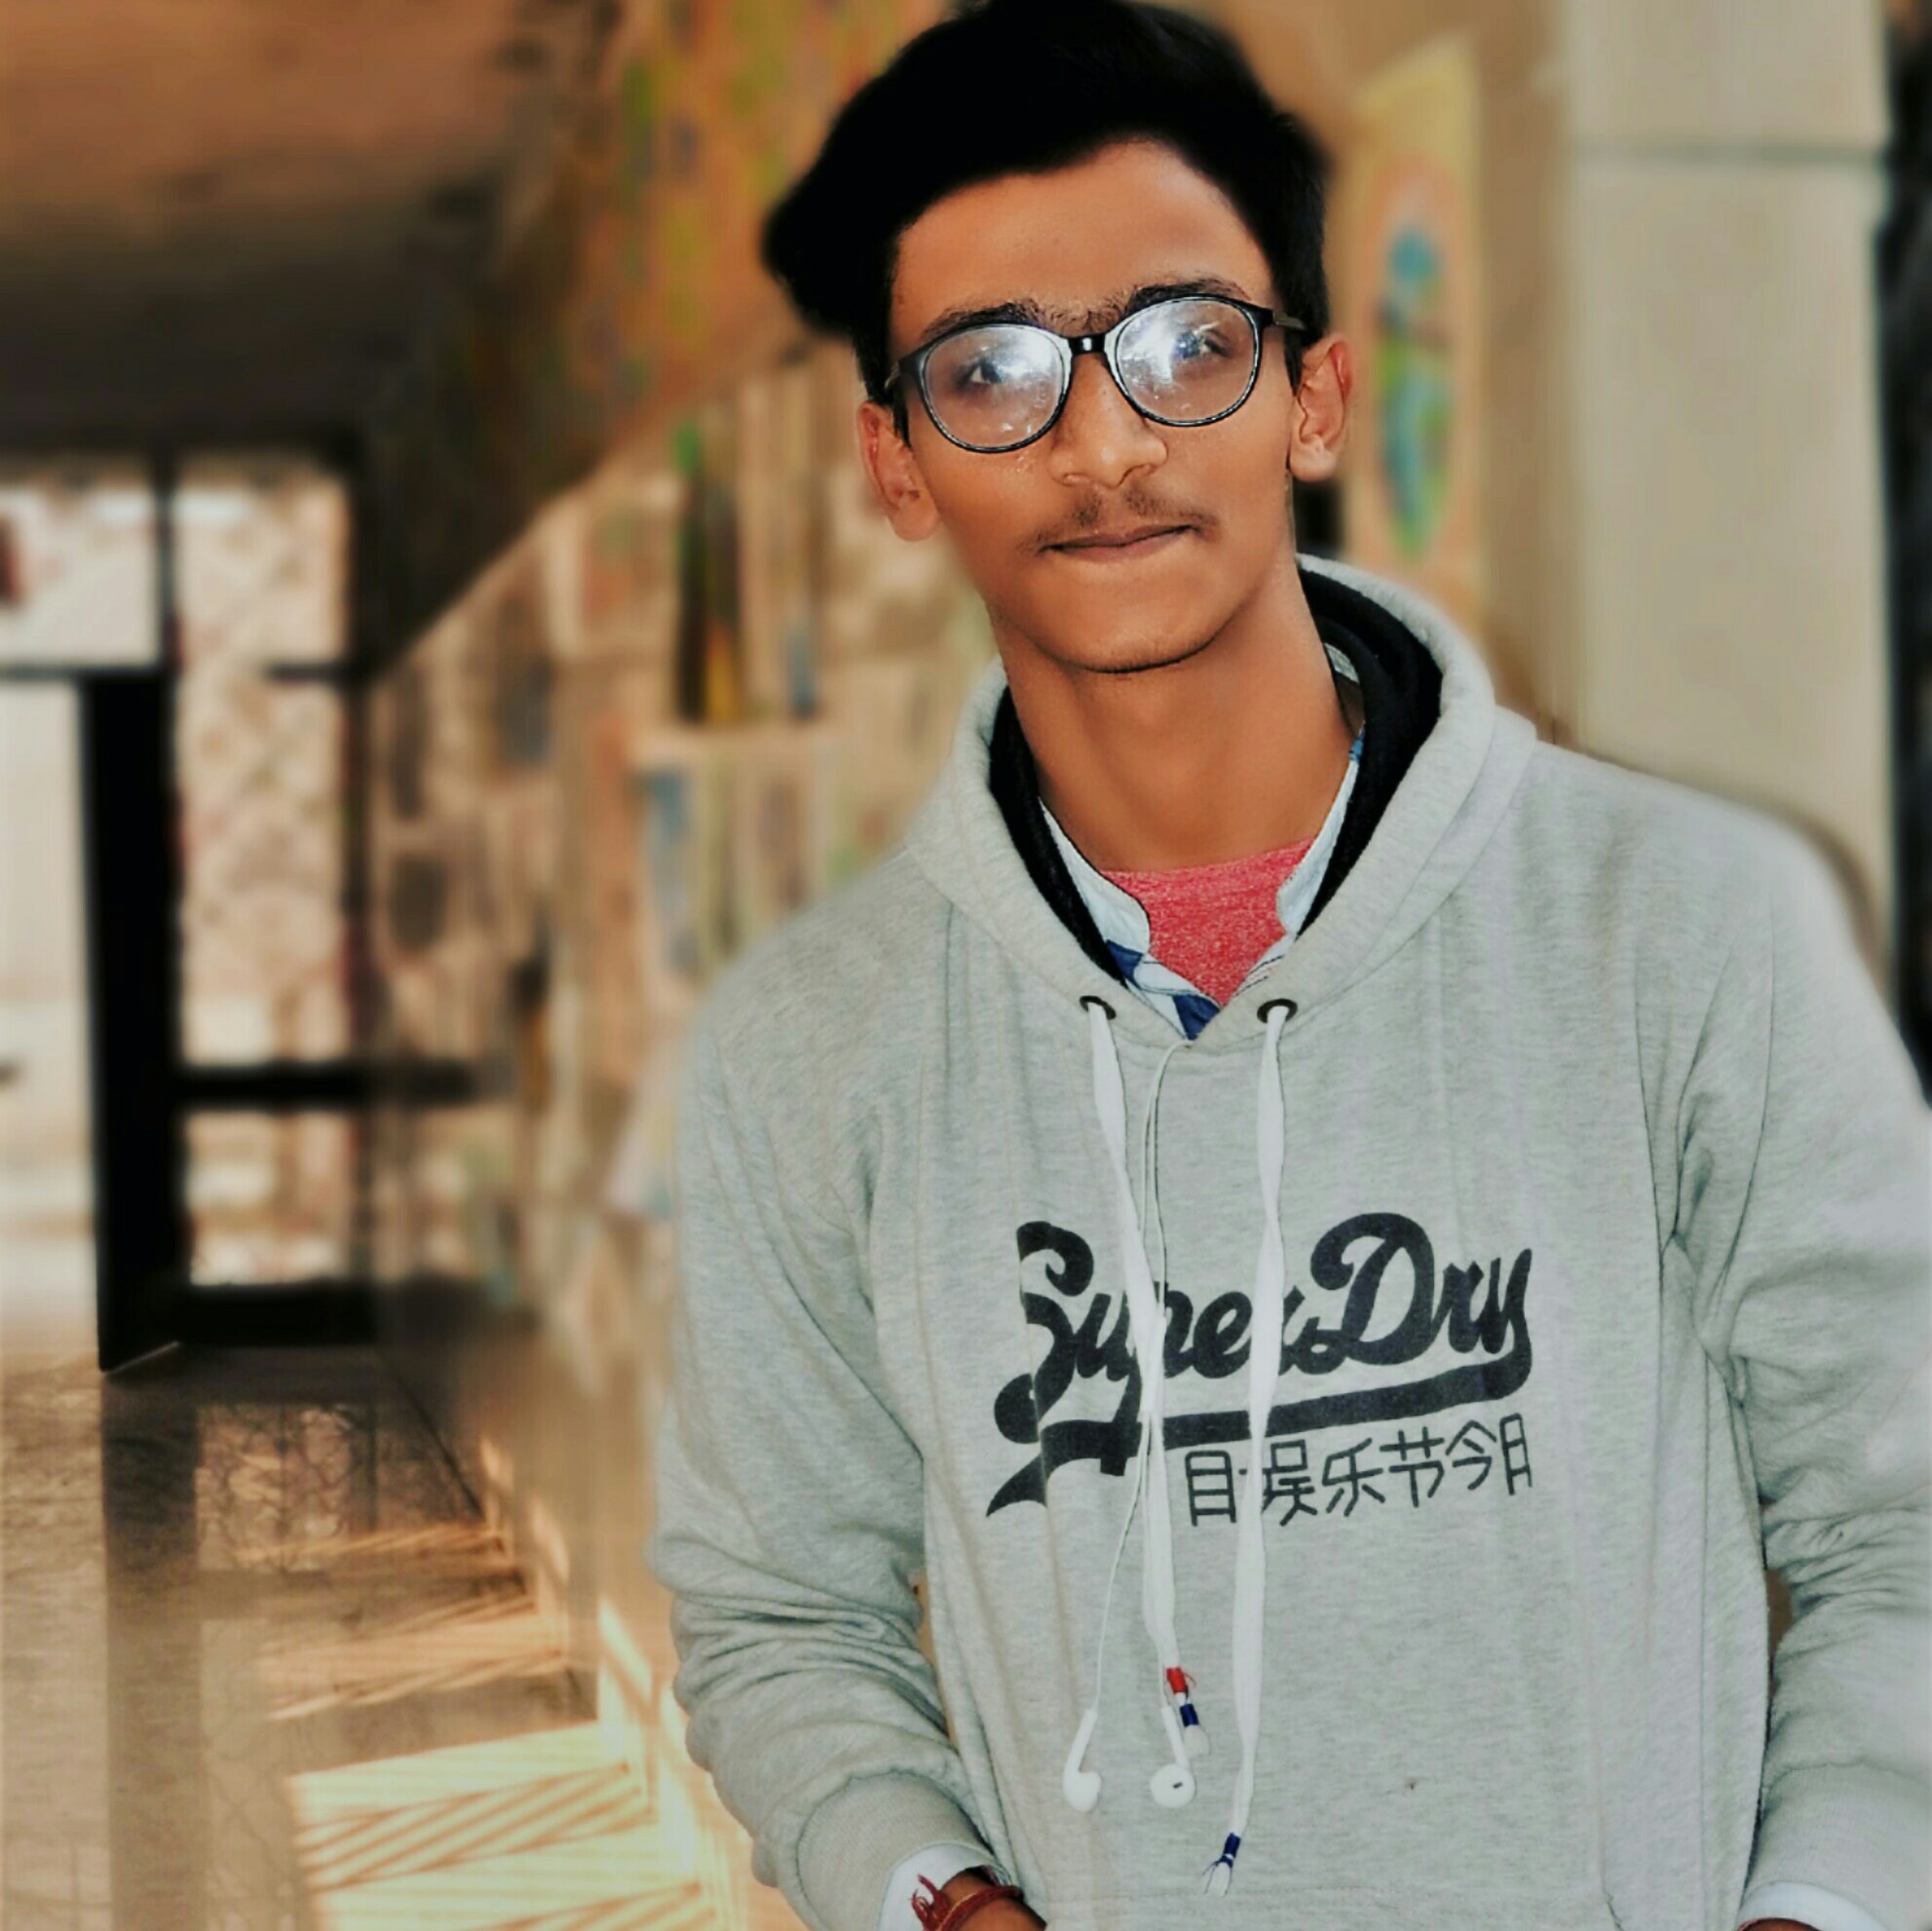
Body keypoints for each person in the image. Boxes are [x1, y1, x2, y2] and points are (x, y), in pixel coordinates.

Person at [644, 5, 1932, 1929]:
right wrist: (936, 1893)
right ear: (896, 465)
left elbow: (1901, 1521)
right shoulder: (805, 1051)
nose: (1103, 444)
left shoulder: (1688, 925)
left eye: (1187, 345)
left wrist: (1818, 1907)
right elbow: (775, 1615)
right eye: (991, 371)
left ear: (1313, 400)